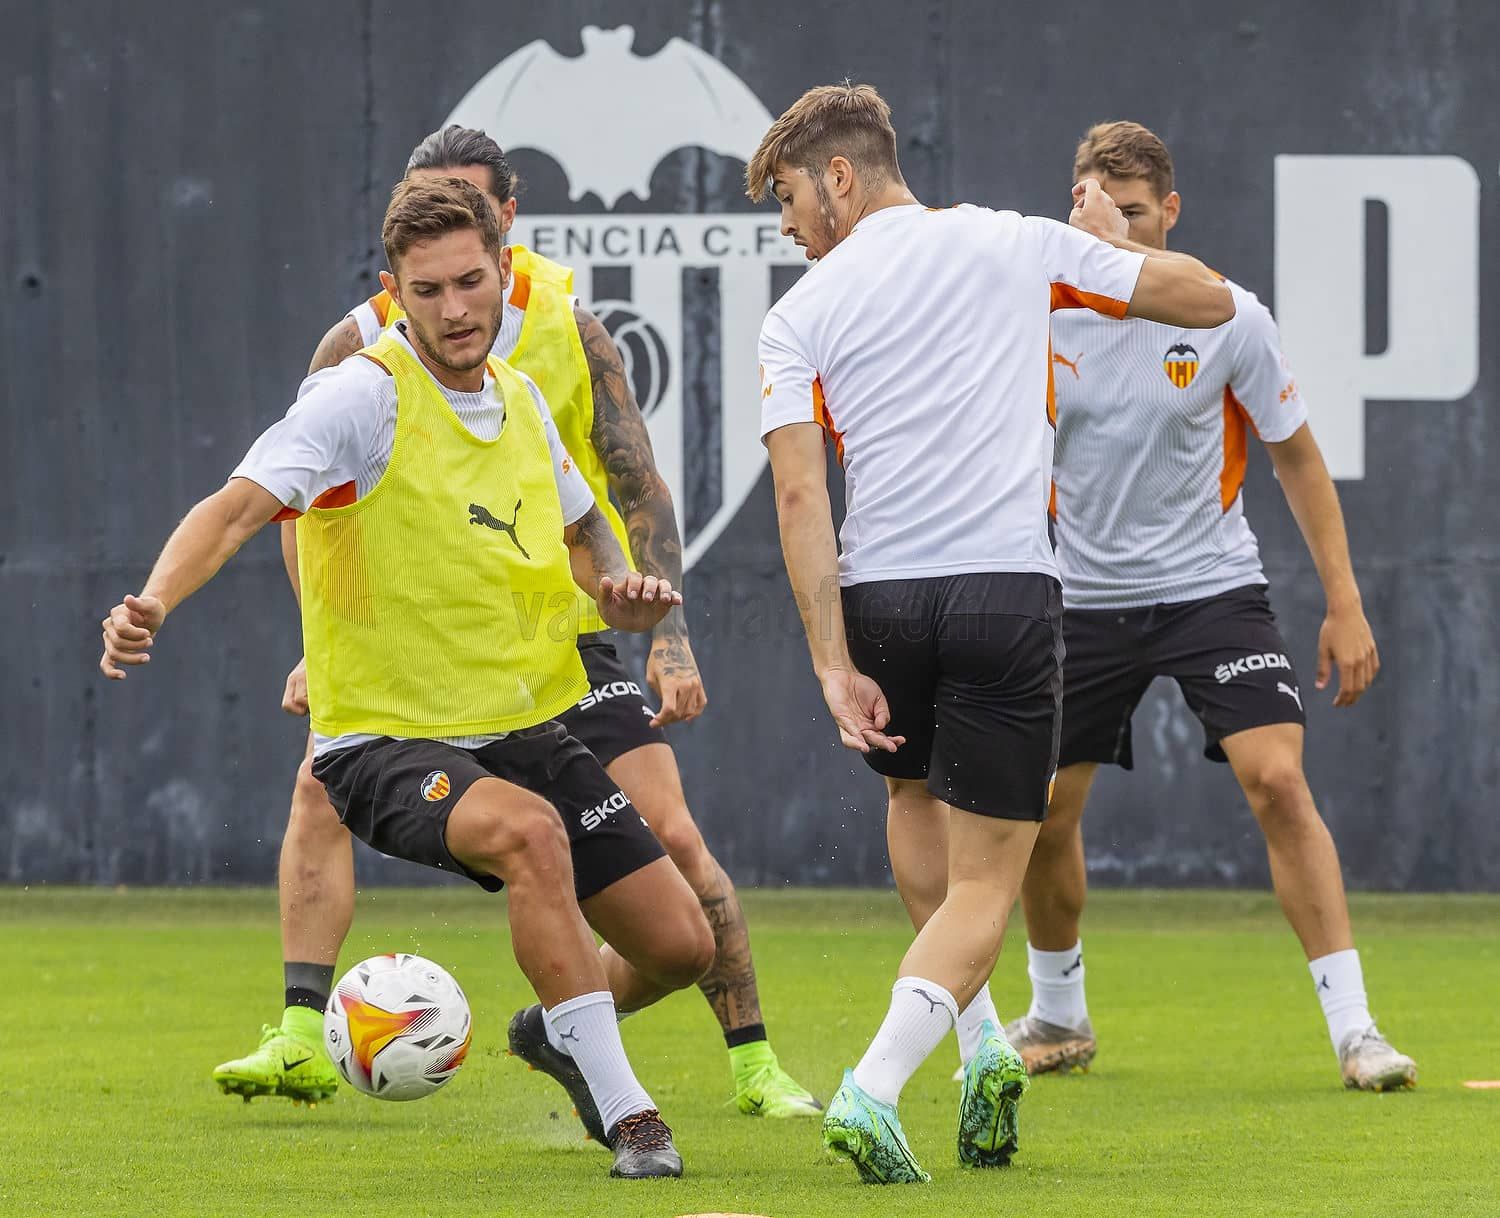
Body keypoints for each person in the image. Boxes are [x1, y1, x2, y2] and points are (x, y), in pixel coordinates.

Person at [102, 177, 709, 1178]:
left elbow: (585, 523)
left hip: (519, 722)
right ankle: (631, 1112)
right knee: (528, 834)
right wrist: (154, 603)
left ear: (503, 274)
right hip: (382, 740)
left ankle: (563, 1028)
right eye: (427, 291)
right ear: (395, 291)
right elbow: (234, 508)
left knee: (682, 945)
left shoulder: (517, 402)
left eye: (471, 283)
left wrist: (619, 588)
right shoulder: (360, 397)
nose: (456, 309)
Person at [212, 126, 820, 1124]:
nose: (451, 286)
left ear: (507, 229)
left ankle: (739, 1055)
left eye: (467, 216)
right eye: (425, 221)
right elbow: (301, 505)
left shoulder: (569, 332)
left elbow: (630, 488)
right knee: (325, 782)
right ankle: (298, 1027)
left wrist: (665, 631)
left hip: (563, 634)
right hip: (420, 651)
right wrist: (321, 641)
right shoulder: (356, 347)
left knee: (670, 840)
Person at [748, 84, 1234, 1183]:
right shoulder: (1016, 241)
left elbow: (798, 499)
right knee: (983, 890)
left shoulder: (798, 313)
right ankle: (875, 1088)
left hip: (883, 604)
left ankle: (981, 1057)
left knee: (913, 806)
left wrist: (831, 660)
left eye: (787, 196)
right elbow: (1207, 302)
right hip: (1004, 596)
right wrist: (1105, 246)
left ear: (839, 177)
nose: (786, 224)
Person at [1002, 121, 1415, 1092]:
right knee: (1041, 812)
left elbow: (1298, 456)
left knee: (1277, 782)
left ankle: (1357, 1032)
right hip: (1080, 597)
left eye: (1133, 212)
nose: (1108, 227)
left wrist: (1344, 603)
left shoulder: (1229, 314)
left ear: (1169, 213)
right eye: (1092, 208)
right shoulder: (1036, 310)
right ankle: (1059, 1011)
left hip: (1209, 587)